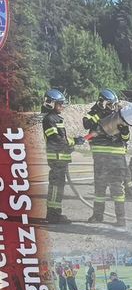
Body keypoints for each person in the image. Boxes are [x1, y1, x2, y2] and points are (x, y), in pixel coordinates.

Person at [83, 88, 130, 228]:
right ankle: (98, 216)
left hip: (117, 157)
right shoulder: (94, 113)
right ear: (102, 103)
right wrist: (101, 114)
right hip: (100, 157)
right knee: (100, 186)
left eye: (113, 105)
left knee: (117, 188)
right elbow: (87, 124)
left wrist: (125, 131)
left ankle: (121, 218)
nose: (112, 108)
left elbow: (126, 138)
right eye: (109, 104)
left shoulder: (118, 115)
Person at [40, 89, 76, 225]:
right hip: (56, 158)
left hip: (60, 157)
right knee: (55, 187)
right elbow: (56, 139)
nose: (62, 106)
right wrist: (72, 143)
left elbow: (61, 139)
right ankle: (53, 215)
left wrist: (71, 142)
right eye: (60, 104)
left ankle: (55, 213)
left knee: (58, 186)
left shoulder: (56, 118)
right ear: (50, 103)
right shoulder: (49, 119)